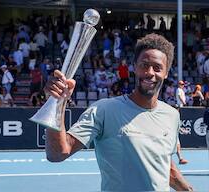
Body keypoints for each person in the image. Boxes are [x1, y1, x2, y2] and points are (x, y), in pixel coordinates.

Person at [44, 34, 193, 191]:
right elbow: (57, 153)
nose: (150, 72)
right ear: (134, 67)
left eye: (157, 67)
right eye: (144, 65)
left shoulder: (172, 115)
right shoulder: (104, 110)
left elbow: (164, 164)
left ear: (166, 72)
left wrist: (189, 190)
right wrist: (56, 103)